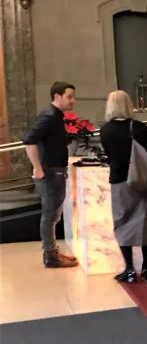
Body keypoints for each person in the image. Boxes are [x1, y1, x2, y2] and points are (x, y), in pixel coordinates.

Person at [100, 91, 147, 282]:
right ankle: (146, 267)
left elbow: (109, 156)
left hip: (120, 180)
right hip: (144, 181)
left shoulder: (106, 130)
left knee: (122, 223)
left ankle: (128, 268)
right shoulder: (140, 127)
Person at [23, 82, 80, 268]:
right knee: (50, 216)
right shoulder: (48, 116)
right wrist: (37, 168)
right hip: (50, 173)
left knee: (53, 216)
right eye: (69, 96)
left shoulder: (54, 116)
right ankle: (51, 256)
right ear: (57, 96)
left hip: (54, 172)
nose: (73, 100)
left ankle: (53, 252)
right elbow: (29, 140)